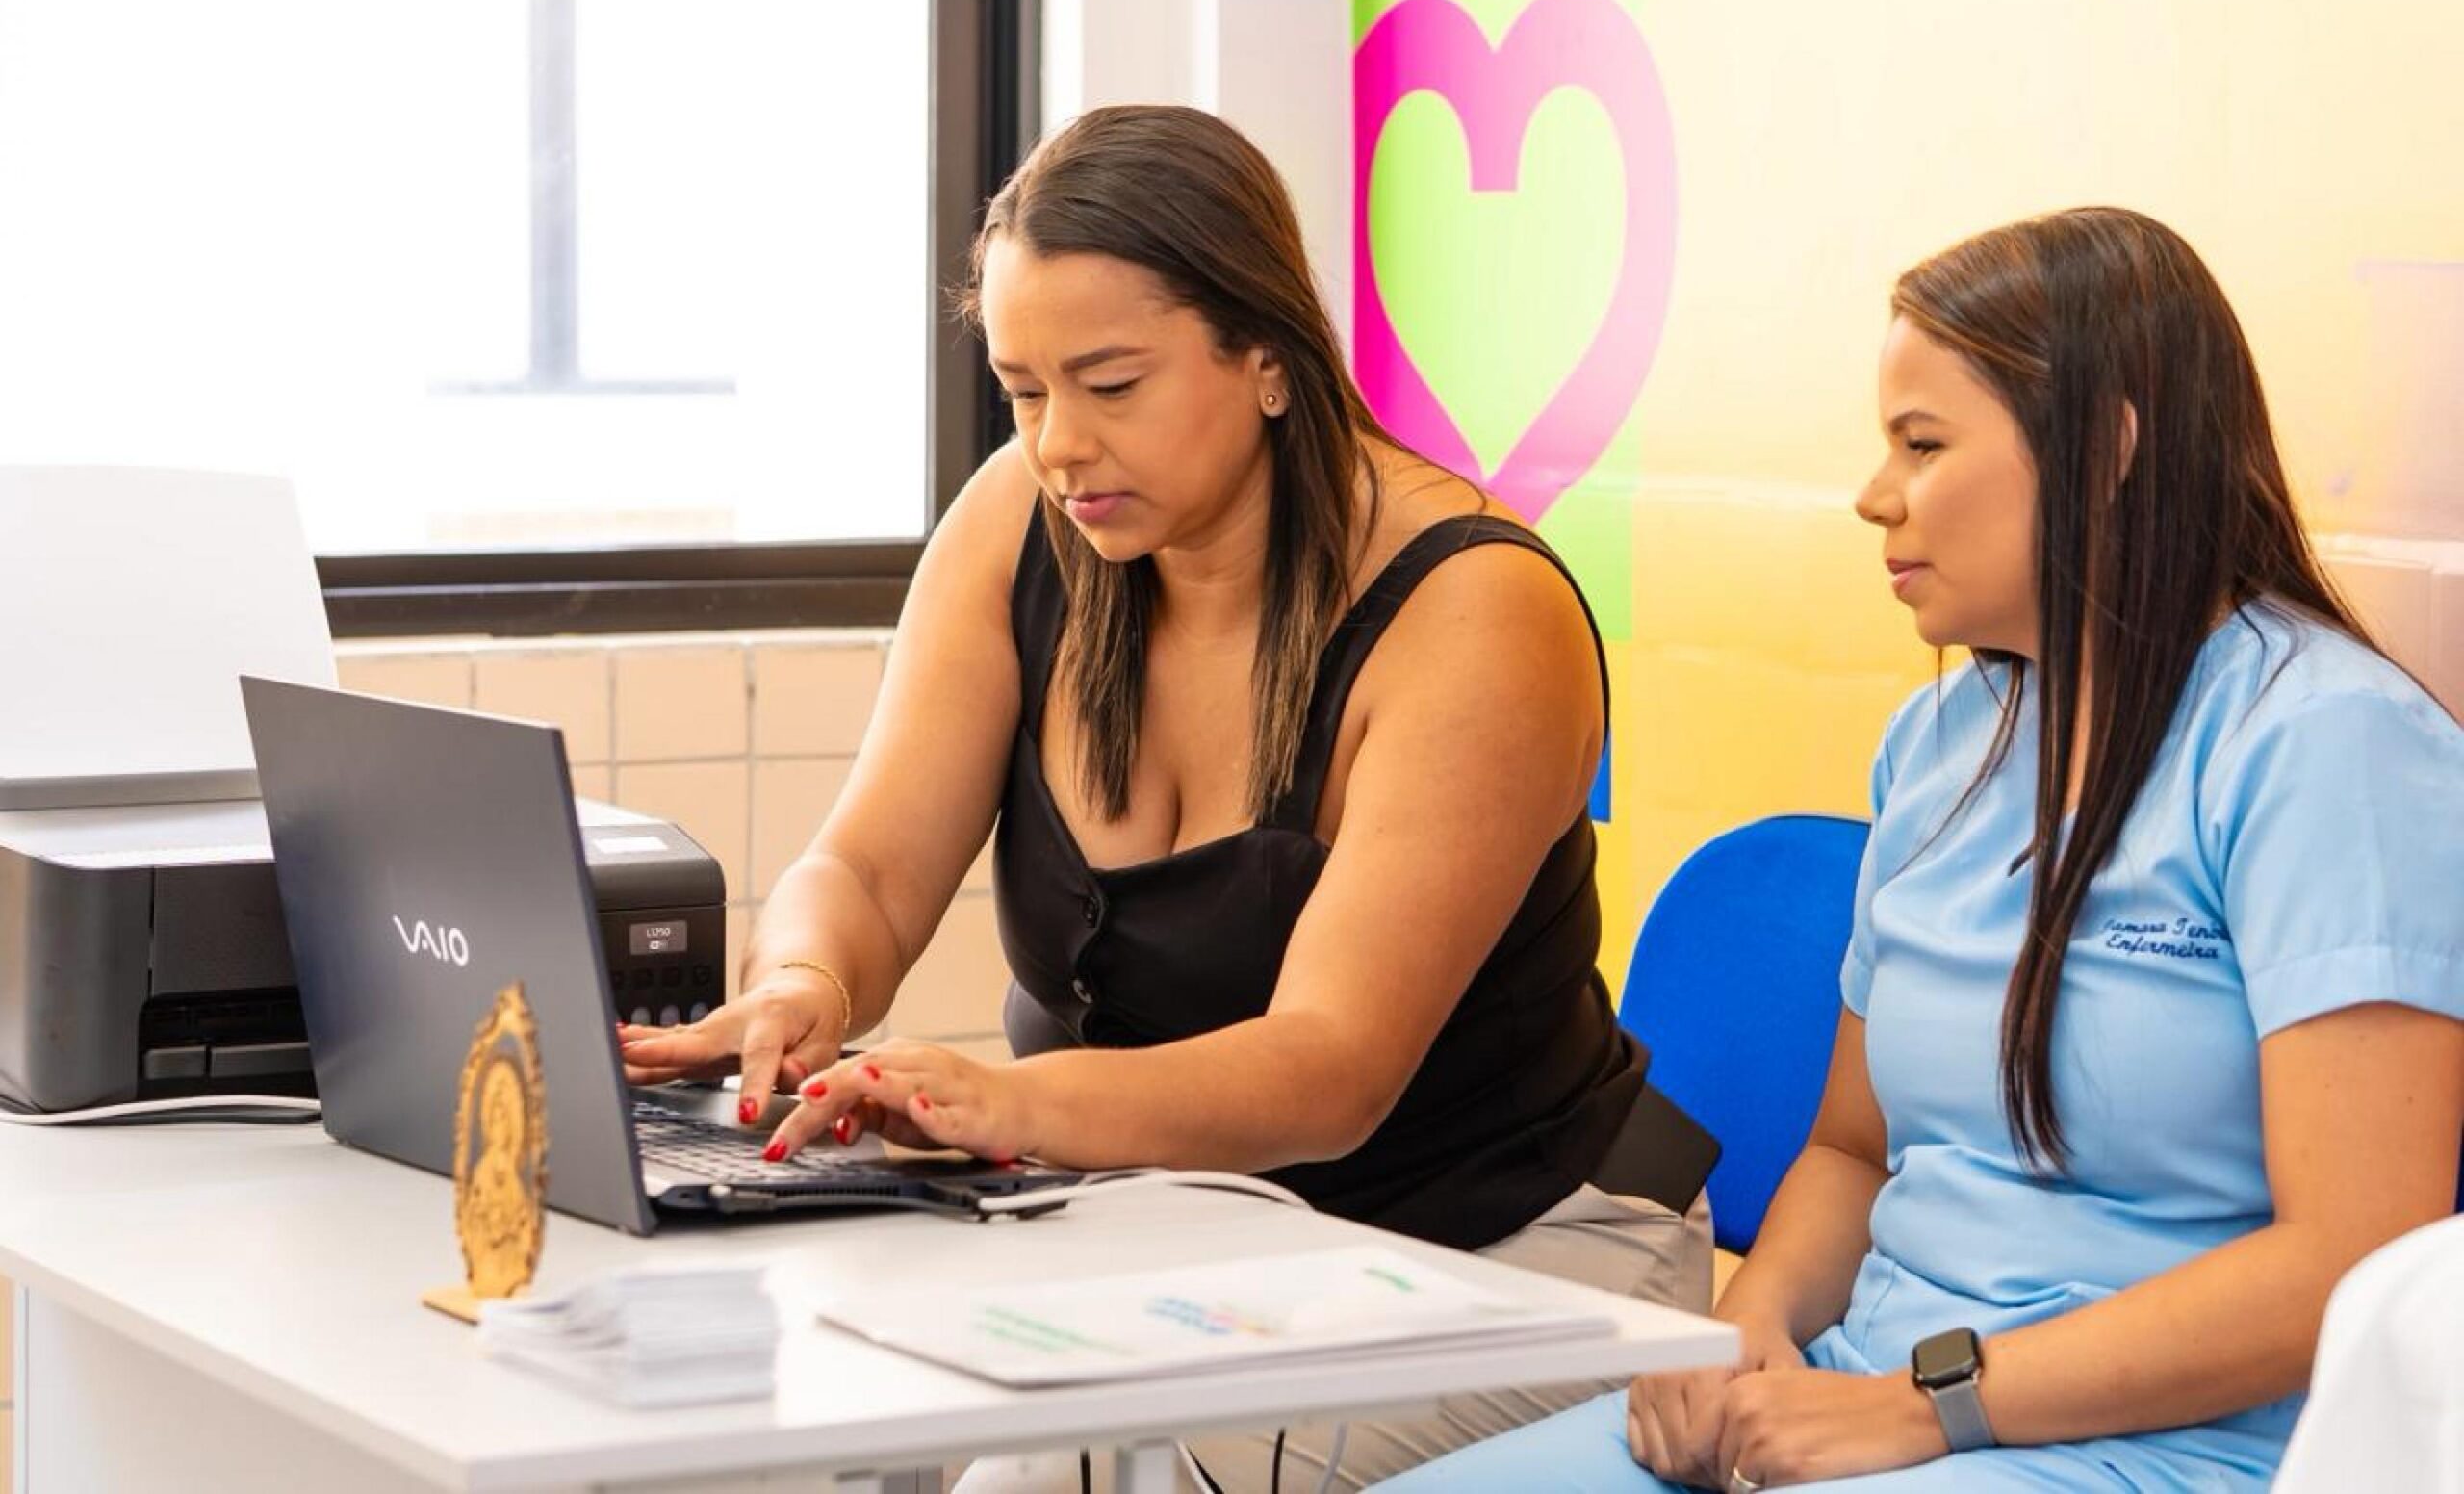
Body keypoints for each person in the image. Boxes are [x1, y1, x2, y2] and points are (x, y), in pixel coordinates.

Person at [616, 104, 1712, 1486]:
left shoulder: (1475, 609)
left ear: (1264, 355)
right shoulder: (1019, 517)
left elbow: (1331, 1071)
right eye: (1024, 391)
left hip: (1512, 1252)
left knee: (1061, 1474)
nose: (1058, 442)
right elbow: (873, 872)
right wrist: (805, 986)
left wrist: (1008, 1104)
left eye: (1110, 384)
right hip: (1188, 1244)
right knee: (821, 1425)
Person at [1384, 207, 2464, 1491]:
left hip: (2162, 1446)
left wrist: (1935, 1407)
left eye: (1923, 443)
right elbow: (1853, 1150)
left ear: (2105, 449)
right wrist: (1746, 1331)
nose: (1872, 494)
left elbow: (2353, 1256)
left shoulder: (2329, 745)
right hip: (1873, 1395)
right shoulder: (1941, 741)